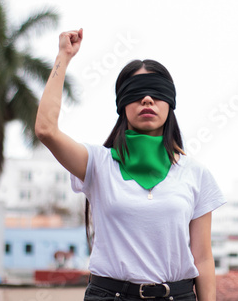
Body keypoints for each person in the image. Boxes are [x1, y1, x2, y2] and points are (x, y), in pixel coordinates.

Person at [35, 28, 227, 301]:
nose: (147, 99)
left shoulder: (195, 174)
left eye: (156, 92)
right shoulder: (97, 164)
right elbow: (45, 130)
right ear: (122, 104)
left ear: (170, 103)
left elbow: (204, 259)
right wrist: (63, 56)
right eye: (136, 93)